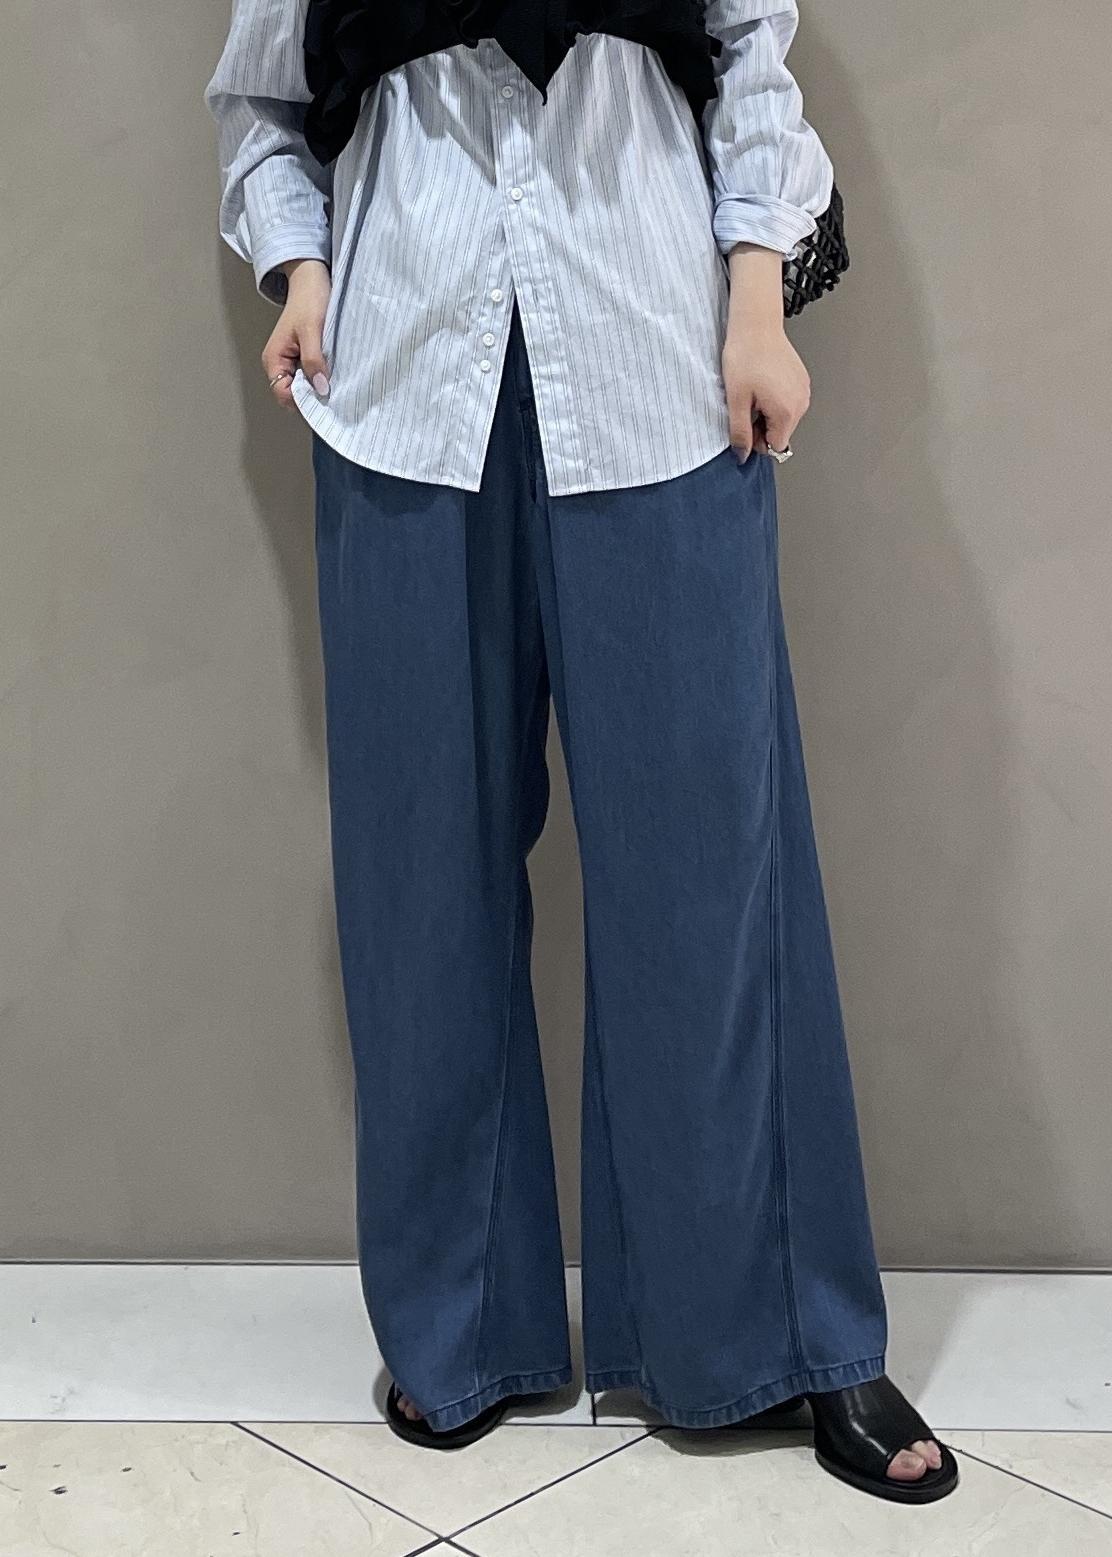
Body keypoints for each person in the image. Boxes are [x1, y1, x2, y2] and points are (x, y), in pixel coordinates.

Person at [206, 0, 958, 1503]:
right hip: (402, 379)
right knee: (424, 879)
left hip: (660, 361)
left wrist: (759, 307)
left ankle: (777, 1332)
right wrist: (301, 268)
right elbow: (260, 105)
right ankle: (460, 1324)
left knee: (712, 876)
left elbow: (749, 52)